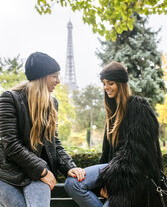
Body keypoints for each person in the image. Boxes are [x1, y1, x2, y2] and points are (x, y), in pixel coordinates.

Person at [65, 61, 165, 207]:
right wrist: (103, 183)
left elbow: (135, 154)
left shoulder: (139, 108)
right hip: (116, 173)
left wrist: (110, 179)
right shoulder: (112, 114)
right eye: (104, 83)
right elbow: (106, 155)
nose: (106, 88)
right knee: (73, 183)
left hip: (136, 179)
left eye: (110, 83)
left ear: (121, 83)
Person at [0, 52, 85, 207]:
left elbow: (54, 142)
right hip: (8, 174)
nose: (58, 81)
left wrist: (70, 167)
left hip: (36, 174)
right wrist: (43, 172)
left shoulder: (52, 103)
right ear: (41, 77)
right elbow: (11, 144)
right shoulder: (9, 98)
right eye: (54, 76)